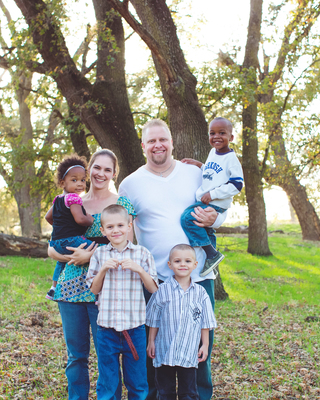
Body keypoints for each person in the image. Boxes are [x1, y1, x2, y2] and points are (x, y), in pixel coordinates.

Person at [119, 119, 225, 400]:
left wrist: (219, 218)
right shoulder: (130, 184)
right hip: (156, 280)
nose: (158, 145)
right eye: (151, 141)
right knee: (154, 347)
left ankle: (199, 395)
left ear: (172, 142)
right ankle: (154, 395)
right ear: (143, 146)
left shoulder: (194, 173)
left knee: (201, 343)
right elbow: (120, 229)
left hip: (198, 275)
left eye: (163, 139)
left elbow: (221, 207)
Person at [48, 149, 135, 400]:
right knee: (76, 356)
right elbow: (53, 244)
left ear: (114, 174)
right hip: (70, 287)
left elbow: (126, 249)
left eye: (108, 169)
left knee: (107, 353)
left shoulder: (122, 204)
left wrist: (91, 257)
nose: (101, 173)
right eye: (96, 167)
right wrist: (61, 256)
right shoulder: (71, 200)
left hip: (105, 287)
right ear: (89, 170)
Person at [86, 204, 158, 400]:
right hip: (106, 329)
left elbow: (153, 288)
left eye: (120, 225)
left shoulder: (142, 254)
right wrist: (102, 270)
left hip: (134, 329)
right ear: (103, 230)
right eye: (109, 227)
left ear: (129, 225)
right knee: (107, 381)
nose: (115, 230)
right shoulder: (99, 254)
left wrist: (139, 270)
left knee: (137, 381)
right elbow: (93, 290)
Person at [146, 244, 216, 400]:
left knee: (189, 393)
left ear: (195, 265)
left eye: (187, 261)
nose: (183, 264)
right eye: (177, 261)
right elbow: (154, 319)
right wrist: (151, 341)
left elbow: (205, 323)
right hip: (164, 352)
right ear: (170, 265)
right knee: (165, 392)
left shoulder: (200, 293)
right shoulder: (162, 290)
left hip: (188, 352)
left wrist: (204, 345)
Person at [181, 117, 243, 277]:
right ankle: (212, 257)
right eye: (212, 133)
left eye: (222, 133)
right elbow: (213, 173)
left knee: (188, 218)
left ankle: (211, 253)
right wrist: (200, 165)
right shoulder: (212, 153)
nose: (216, 136)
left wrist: (213, 194)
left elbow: (237, 185)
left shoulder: (232, 159)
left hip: (215, 202)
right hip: (208, 199)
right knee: (204, 227)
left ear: (231, 137)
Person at [45, 154, 94, 300]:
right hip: (71, 240)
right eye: (74, 180)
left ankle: (53, 288)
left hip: (56, 242)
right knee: (96, 249)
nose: (80, 184)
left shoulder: (58, 199)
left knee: (61, 262)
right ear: (62, 183)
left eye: (83, 180)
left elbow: (48, 217)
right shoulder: (73, 198)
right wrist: (90, 220)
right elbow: (80, 219)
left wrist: (61, 226)